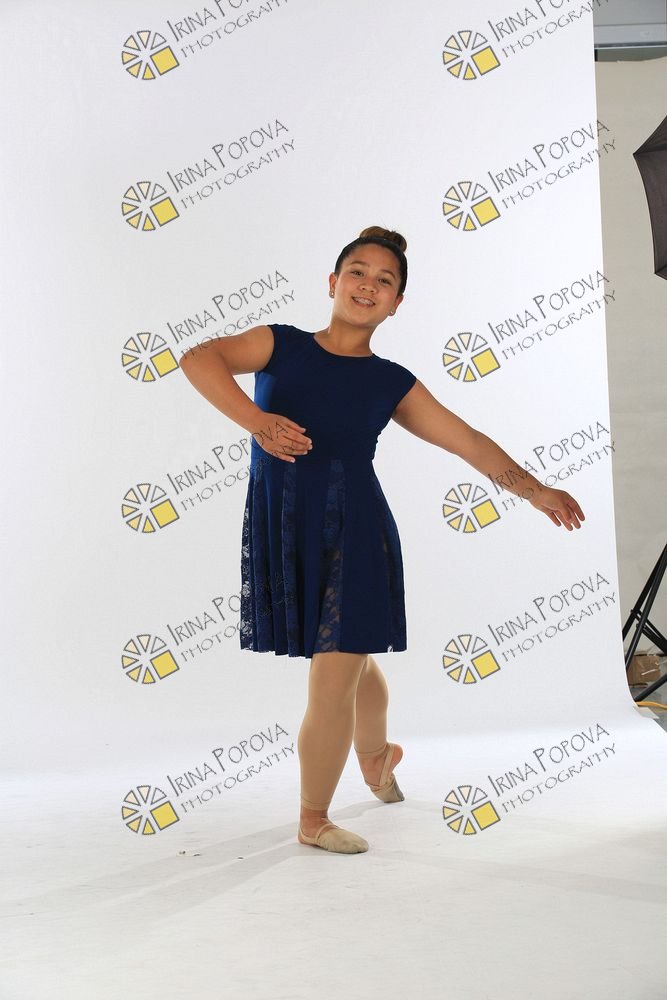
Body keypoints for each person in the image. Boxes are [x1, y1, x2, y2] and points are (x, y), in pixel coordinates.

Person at [179, 226, 585, 856]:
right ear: (333, 282)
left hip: (357, 533)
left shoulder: (390, 381)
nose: (368, 285)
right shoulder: (280, 345)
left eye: (385, 280)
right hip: (285, 524)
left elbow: (468, 441)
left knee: (334, 673)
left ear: (396, 304)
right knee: (352, 656)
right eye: (358, 272)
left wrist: (534, 491)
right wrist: (256, 422)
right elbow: (198, 358)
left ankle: (313, 819)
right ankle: (377, 755)